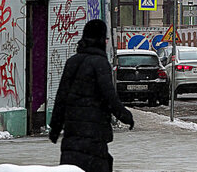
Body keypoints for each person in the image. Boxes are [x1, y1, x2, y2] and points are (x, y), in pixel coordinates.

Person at [49, 19, 134, 172]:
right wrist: (126, 116)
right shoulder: (100, 63)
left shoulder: (72, 62)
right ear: (101, 39)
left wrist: (55, 128)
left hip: (72, 134)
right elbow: (109, 96)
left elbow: (61, 97)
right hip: (94, 135)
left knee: (72, 167)